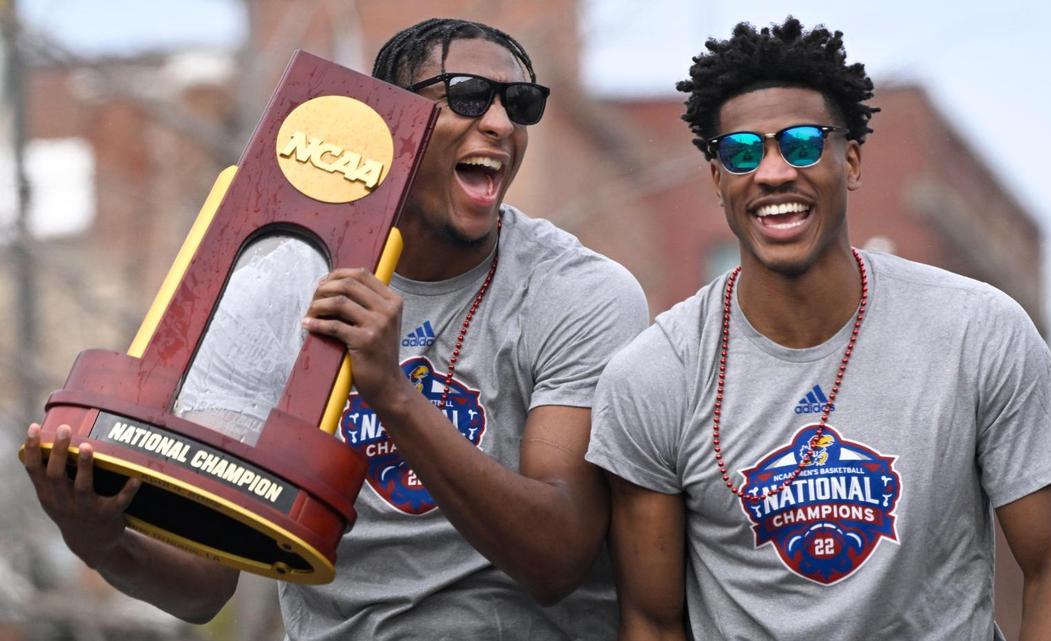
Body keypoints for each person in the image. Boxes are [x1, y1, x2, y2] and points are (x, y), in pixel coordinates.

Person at [22, 18, 646, 640]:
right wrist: (101, 542)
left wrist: (393, 394)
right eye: (466, 96)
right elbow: (205, 586)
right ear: (395, 124)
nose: (502, 124)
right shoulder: (282, 276)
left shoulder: (576, 293)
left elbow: (556, 556)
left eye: (521, 104)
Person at [586, 16, 1051, 641]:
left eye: (801, 143)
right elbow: (652, 620)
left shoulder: (975, 332)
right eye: (743, 153)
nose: (773, 173)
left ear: (849, 159)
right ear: (718, 179)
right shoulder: (655, 374)